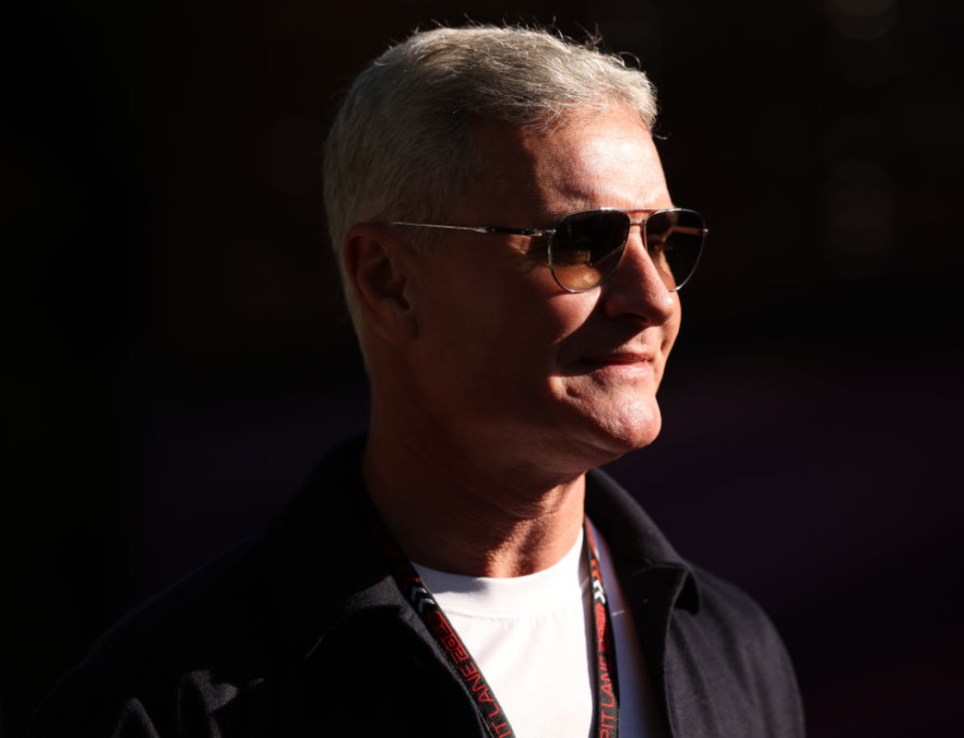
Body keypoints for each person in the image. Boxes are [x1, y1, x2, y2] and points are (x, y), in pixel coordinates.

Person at [32, 24, 804, 737]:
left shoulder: (731, 647)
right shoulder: (167, 703)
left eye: (667, 239)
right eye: (584, 243)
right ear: (389, 281)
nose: (654, 299)